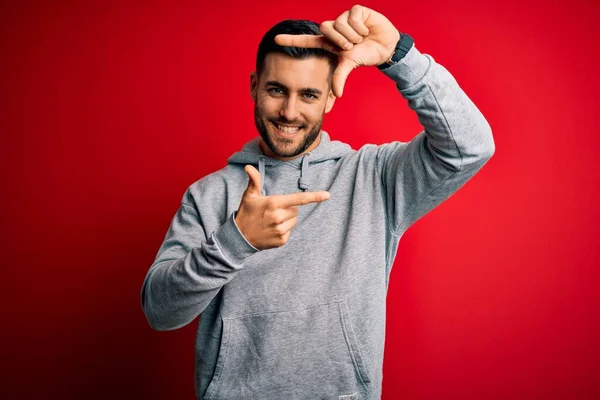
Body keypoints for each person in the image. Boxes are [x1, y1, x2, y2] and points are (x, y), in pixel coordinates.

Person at [140, 5, 495, 400]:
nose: (290, 112)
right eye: (276, 90)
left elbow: (469, 146)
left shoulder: (374, 177)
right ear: (255, 86)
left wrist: (400, 55)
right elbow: (160, 311)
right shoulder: (209, 195)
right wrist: (235, 240)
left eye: (308, 94)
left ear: (329, 98)